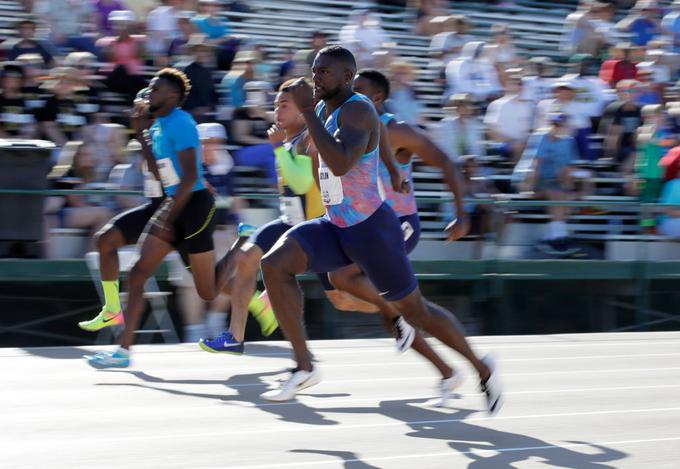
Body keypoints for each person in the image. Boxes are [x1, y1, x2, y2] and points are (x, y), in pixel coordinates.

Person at [258, 46, 502, 414]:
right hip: (334, 223)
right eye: (314, 70)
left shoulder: (356, 108)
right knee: (274, 264)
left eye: (324, 72)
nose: (316, 77)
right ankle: (304, 366)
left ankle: (481, 367)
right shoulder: (325, 107)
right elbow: (371, 141)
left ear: (346, 77)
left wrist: (307, 113)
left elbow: (340, 163)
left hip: (372, 230)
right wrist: (388, 167)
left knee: (416, 312)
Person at [317, 69, 475, 405]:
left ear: (376, 98)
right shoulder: (341, 126)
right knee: (368, 305)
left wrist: (462, 215)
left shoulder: (396, 130)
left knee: (346, 277)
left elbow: (446, 161)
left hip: (397, 223)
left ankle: (407, 314)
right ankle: (447, 372)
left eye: (356, 89)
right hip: (360, 224)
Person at [86, 68, 232, 368]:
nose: (149, 93)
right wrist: (140, 134)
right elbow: (158, 172)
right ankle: (123, 351)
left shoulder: (182, 122)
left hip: (193, 208)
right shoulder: (157, 127)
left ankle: (242, 250)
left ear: (173, 96)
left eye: (155, 89)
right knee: (138, 271)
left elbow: (191, 175)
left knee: (208, 291)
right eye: (149, 88)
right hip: (172, 205)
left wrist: (169, 215)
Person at [199, 78, 325, 354]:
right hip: (289, 223)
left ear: (303, 109)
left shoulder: (308, 138)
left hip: (314, 229)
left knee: (345, 297)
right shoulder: (290, 139)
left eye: (284, 105)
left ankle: (401, 312)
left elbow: (302, 183)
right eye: (275, 104)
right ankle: (235, 336)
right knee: (245, 258)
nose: (277, 110)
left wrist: (278, 149)